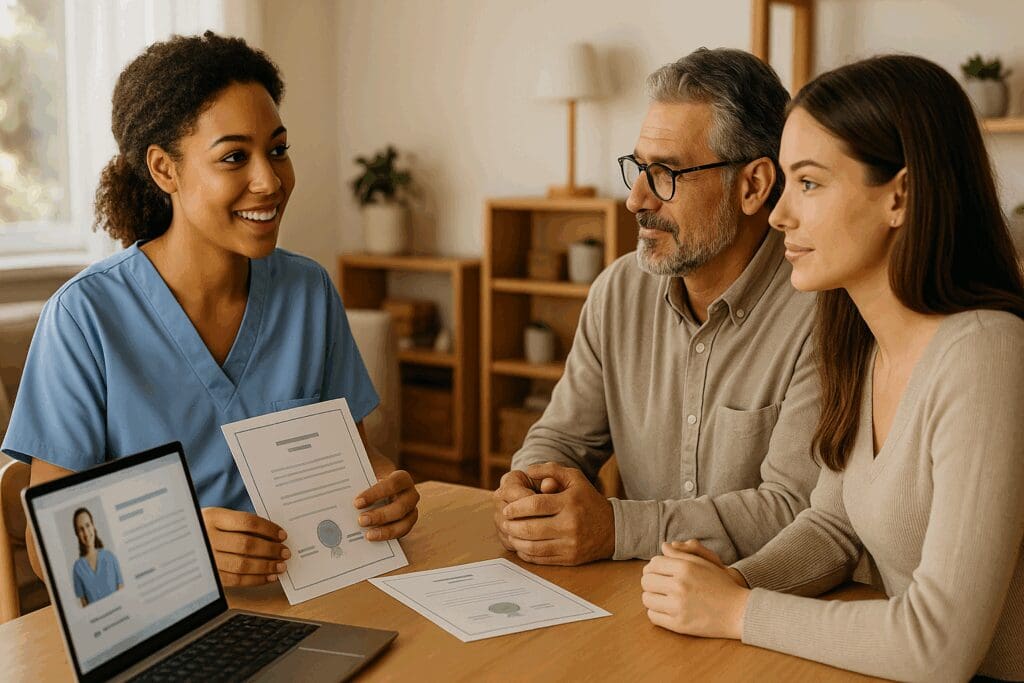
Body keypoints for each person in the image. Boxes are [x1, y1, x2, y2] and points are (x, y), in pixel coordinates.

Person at [640, 54, 1024, 682]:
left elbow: (941, 645)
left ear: (899, 195)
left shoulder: (986, 353)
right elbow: (834, 527)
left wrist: (737, 609)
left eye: (810, 184)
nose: (778, 213)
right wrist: (721, 584)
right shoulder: (866, 343)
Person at [1, 32, 420, 588]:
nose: (269, 181)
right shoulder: (84, 318)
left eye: (277, 149)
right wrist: (180, 544)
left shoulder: (309, 292)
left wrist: (388, 491)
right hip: (168, 625)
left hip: (315, 603)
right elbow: (49, 549)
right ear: (164, 170)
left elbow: (361, 462)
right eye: (233, 157)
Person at [494, 47, 821, 566]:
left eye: (666, 173)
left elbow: (796, 511)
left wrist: (619, 529)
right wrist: (530, 489)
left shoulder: (821, 313)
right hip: (631, 598)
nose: (637, 199)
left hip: (750, 610)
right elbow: (561, 437)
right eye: (638, 169)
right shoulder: (616, 292)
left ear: (753, 185)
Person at [71, 508, 123, 607]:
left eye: (87, 525)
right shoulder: (77, 568)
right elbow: (84, 604)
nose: (86, 532)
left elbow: (121, 589)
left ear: (93, 526)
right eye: (81, 529)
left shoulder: (110, 557)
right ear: (77, 534)